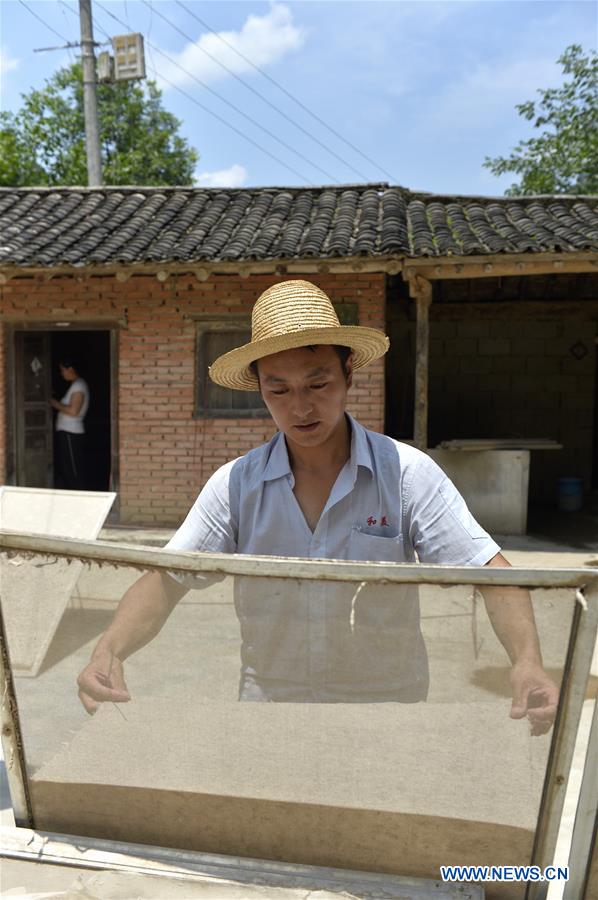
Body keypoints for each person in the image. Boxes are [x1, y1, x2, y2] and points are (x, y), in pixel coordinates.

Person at [77, 280, 558, 734]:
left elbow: (491, 574)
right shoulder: (235, 486)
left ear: (349, 372)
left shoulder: (407, 475)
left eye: (318, 383)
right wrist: (109, 649)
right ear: (259, 389)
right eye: (279, 390)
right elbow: (166, 579)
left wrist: (526, 661)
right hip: (271, 703)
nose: (300, 407)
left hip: (386, 706)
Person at [50, 357, 90, 490]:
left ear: (71, 369)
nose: (62, 373)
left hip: (71, 433)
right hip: (67, 433)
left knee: (73, 469)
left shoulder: (79, 385)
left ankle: (80, 497)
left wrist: (53, 402)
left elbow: (74, 411)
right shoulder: (76, 385)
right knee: (68, 468)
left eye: (63, 370)